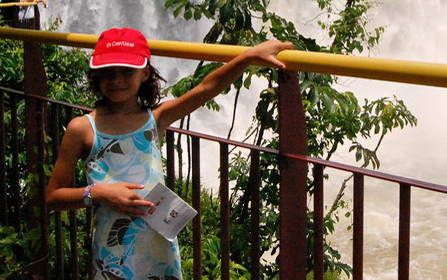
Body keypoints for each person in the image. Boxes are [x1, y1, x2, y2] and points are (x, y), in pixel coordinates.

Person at [45, 27, 293, 279]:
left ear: (145, 73)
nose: (116, 79)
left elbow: (206, 88)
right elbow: (53, 197)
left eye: (126, 71)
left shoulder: (155, 120)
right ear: (96, 75)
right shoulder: (83, 129)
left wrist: (248, 57)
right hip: (112, 253)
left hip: (158, 246)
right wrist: (98, 192)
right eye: (107, 72)